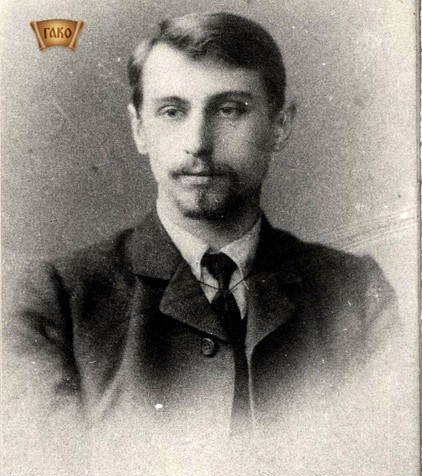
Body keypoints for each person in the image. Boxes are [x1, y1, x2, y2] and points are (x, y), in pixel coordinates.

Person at [7, 12, 398, 441]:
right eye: (172, 111)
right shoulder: (59, 304)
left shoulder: (358, 296)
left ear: (280, 126)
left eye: (230, 110)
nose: (197, 142)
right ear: (139, 129)